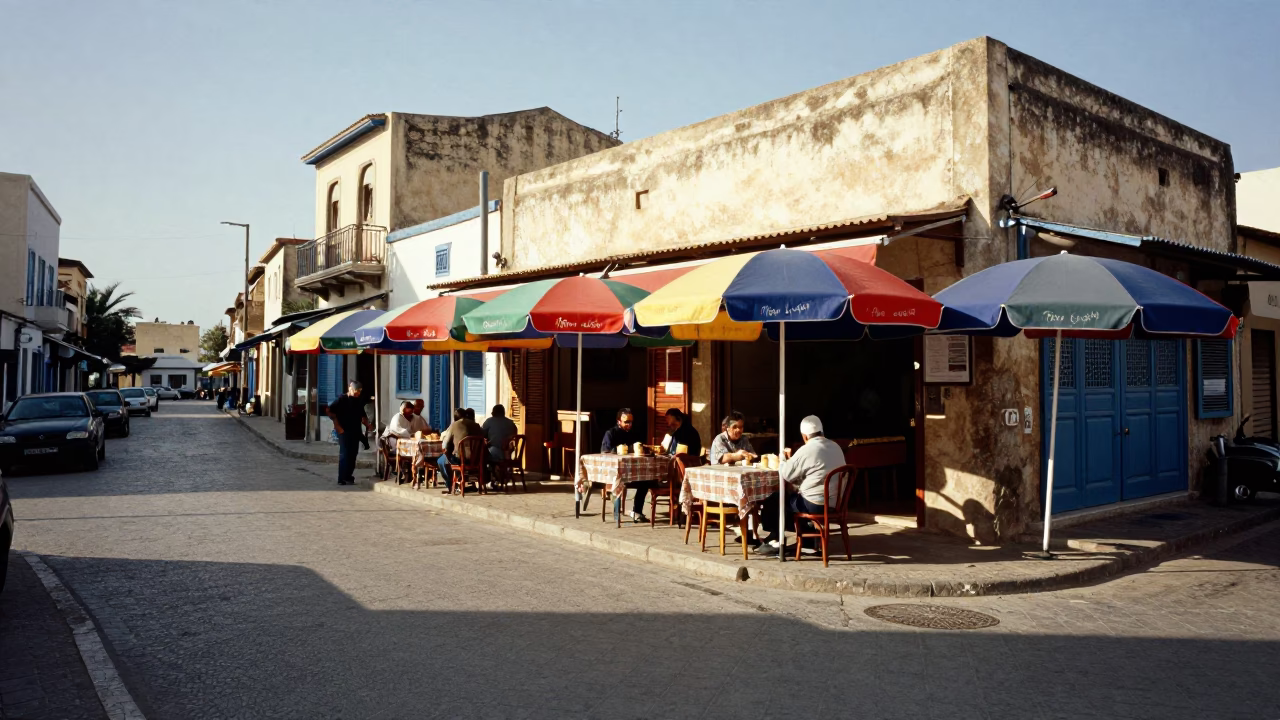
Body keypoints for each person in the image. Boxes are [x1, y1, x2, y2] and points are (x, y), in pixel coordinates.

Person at [753, 415, 847, 556]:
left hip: (814, 504)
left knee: (775, 499)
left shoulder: (807, 449)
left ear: (805, 436)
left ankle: (777, 540)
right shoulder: (835, 447)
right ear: (822, 431)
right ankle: (809, 538)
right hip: (835, 503)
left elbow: (787, 474)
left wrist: (784, 459)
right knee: (790, 498)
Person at [599, 408, 649, 522]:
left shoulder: (634, 433)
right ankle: (617, 514)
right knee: (618, 480)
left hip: (631, 472)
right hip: (614, 472)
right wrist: (619, 450)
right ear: (619, 421)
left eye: (631, 422)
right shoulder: (610, 433)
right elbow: (605, 451)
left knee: (645, 481)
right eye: (626, 422)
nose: (629, 425)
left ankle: (637, 512)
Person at [327, 381, 373, 486]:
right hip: (343, 430)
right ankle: (341, 478)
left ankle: (348, 476)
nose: (357, 393)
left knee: (353, 454)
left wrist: (368, 425)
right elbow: (330, 411)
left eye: (359, 391)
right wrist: (337, 425)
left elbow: (363, 416)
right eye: (356, 391)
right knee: (345, 454)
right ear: (350, 389)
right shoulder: (341, 399)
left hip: (355, 430)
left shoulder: (359, 401)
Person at [438, 408, 485, 493]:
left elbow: (444, 444)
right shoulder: (476, 425)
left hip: (460, 459)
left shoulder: (454, 425)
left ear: (455, 418)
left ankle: (451, 486)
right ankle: (464, 482)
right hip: (477, 459)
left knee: (441, 460)